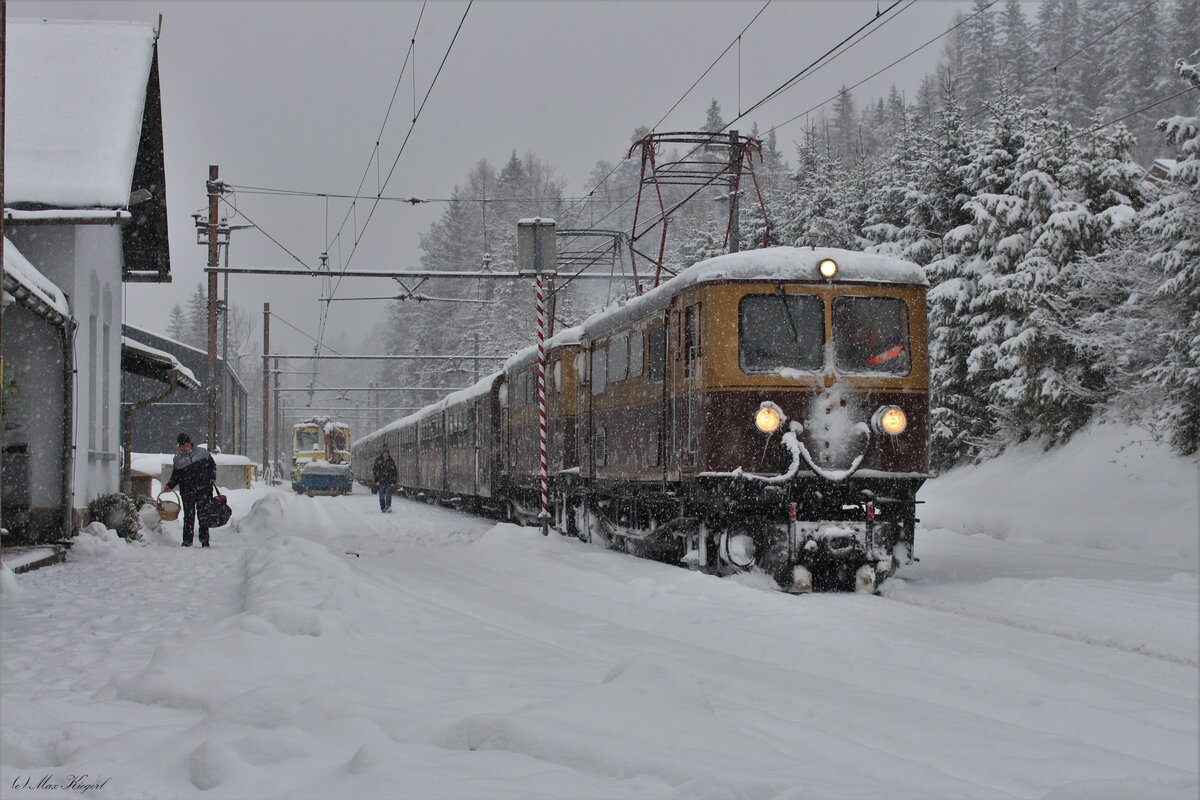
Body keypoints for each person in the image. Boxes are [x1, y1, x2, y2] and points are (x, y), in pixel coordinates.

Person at [162, 432, 217, 547]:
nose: (185, 448)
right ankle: (187, 541)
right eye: (182, 446)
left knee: (203, 515)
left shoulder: (202, 453)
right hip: (187, 492)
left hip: (204, 489)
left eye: (186, 445)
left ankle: (204, 541)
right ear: (179, 446)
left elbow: (212, 465)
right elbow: (175, 476)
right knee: (188, 516)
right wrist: (169, 485)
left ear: (190, 443)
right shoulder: (178, 460)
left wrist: (212, 477)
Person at [372, 448, 398, 513]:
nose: (385, 455)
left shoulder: (391, 461)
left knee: (388, 495)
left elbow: (394, 471)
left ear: (388, 454)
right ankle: (383, 508)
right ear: (382, 454)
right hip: (380, 481)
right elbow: (375, 470)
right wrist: (376, 480)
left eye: (387, 453)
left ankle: (388, 507)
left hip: (388, 481)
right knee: (382, 496)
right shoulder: (378, 460)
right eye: (384, 453)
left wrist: (393, 481)